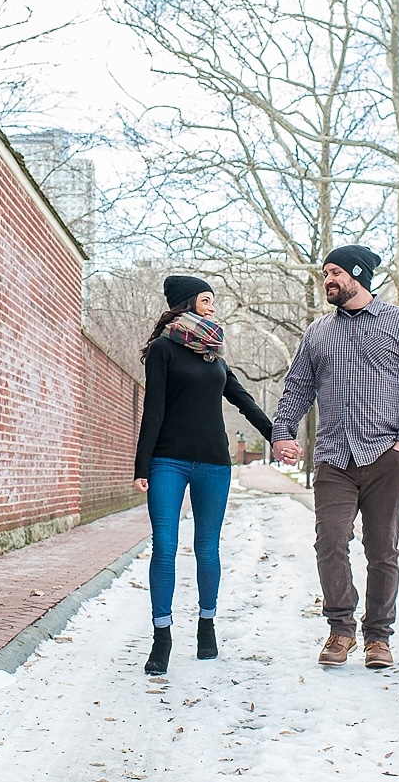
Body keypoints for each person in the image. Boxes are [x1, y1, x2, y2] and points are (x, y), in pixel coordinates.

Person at [271, 245, 399, 670]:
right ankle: (340, 629)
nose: (328, 280)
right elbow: (297, 389)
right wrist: (282, 432)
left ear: (358, 275)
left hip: (386, 455)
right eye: (326, 273)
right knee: (330, 543)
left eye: (335, 272)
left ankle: (378, 637)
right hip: (333, 457)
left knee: (382, 550)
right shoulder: (318, 333)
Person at [134, 274, 274, 676]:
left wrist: (275, 435)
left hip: (214, 462)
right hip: (167, 462)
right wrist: (142, 464)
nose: (212, 306)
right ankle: (162, 636)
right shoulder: (163, 350)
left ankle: (206, 625)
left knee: (207, 547)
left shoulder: (214, 354)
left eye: (213, 300)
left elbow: (242, 399)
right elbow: (154, 409)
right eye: (206, 299)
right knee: (164, 545)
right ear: (187, 303)